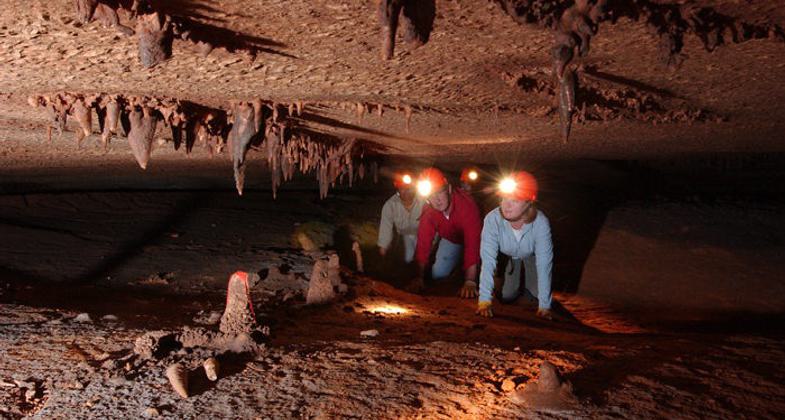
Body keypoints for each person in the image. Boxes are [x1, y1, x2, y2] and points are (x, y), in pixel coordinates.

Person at [476, 171, 554, 320]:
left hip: (531, 255)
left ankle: (530, 288)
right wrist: (484, 301)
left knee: (536, 293)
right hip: (511, 256)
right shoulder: (492, 220)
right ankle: (513, 276)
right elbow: (488, 261)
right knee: (507, 295)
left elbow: (544, 264)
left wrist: (544, 306)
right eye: (504, 198)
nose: (507, 205)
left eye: (515, 200)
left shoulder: (541, 222)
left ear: (529, 203)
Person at [408, 167, 483, 298]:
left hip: (480, 239)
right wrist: (418, 277)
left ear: (448, 189)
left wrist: (470, 281)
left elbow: (473, 245)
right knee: (439, 274)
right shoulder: (429, 211)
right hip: (452, 239)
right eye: (431, 195)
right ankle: (457, 274)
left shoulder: (467, 206)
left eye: (439, 192)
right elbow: (423, 244)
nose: (437, 200)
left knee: (482, 270)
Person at [377, 171, 425, 263]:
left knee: (423, 258)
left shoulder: (423, 202)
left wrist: (432, 244)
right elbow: (385, 228)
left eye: (409, 188)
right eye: (403, 188)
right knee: (408, 259)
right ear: (398, 189)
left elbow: (433, 223)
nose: (406, 191)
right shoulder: (390, 205)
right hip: (405, 235)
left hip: (422, 234)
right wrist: (383, 248)